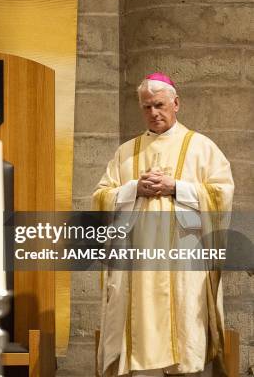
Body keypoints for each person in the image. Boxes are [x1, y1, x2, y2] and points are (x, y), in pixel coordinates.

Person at [93, 73, 234, 376]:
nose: (153, 112)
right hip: (136, 266)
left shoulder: (201, 147)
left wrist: (176, 187)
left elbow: (221, 195)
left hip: (183, 266)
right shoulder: (126, 152)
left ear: (176, 104)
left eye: (159, 105)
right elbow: (101, 198)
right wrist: (133, 189)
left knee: (185, 339)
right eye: (146, 107)